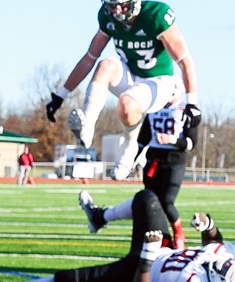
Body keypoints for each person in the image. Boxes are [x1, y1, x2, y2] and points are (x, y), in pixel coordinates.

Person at [44, 0, 202, 182]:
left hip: (160, 82)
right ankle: (87, 125)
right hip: (131, 75)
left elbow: (184, 60)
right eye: (112, 5)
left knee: (127, 104)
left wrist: (192, 102)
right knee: (105, 65)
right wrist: (61, 95)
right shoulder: (107, 19)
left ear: (135, 1)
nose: (117, 11)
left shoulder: (156, 15)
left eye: (123, 5)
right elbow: (89, 59)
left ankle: (130, 144)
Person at [0, 207, 235, 282]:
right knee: (148, 198)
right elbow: (215, 243)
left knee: (69, 279)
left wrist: (147, 256)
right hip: (162, 249)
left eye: (225, 268)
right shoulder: (223, 257)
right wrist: (208, 225)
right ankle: (100, 216)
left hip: (135, 275)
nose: (224, 261)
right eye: (231, 262)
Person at [82, 100, 194, 248]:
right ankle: (100, 217)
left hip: (174, 162)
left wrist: (171, 139)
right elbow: (142, 141)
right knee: (147, 202)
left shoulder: (186, 109)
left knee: (166, 202)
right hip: (153, 162)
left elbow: (191, 143)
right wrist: (129, 162)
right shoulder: (154, 107)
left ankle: (179, 235)